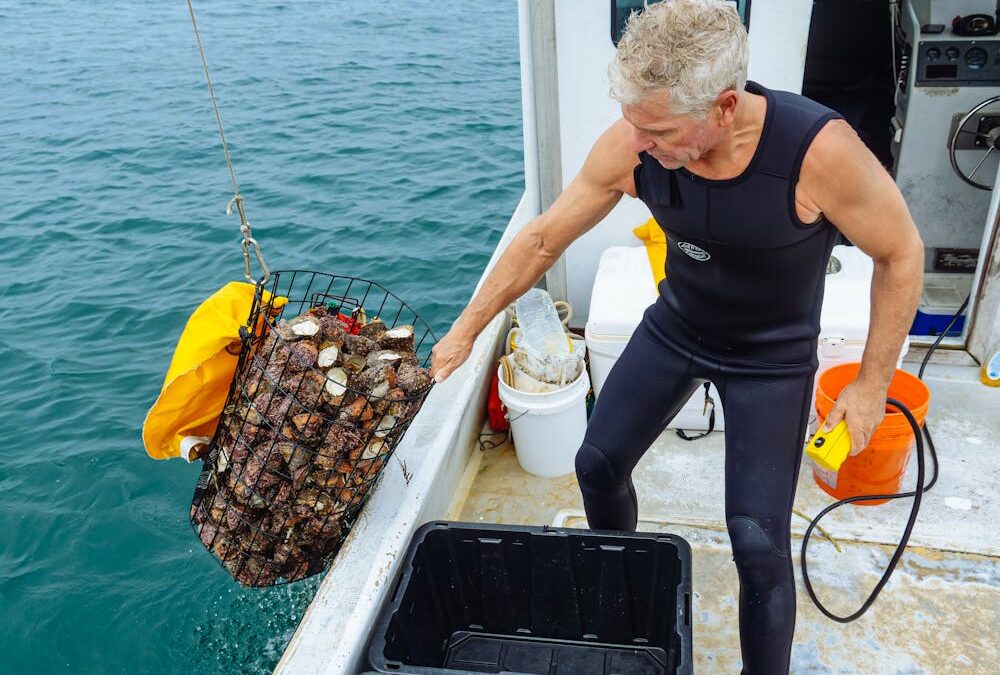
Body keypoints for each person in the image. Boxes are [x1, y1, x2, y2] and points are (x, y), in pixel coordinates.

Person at [430, 0, 923, 671]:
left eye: (657, 130)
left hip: (771, 358)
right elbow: (544, 238)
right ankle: (624, 603)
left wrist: (868, 389)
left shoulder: (819, 153)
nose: (639, 144)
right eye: (634, 124)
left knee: (757, 542)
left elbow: (902, 254)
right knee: (596, 463)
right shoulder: (634, 143)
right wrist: (465, 330)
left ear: (723, 107)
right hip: (679, 326)